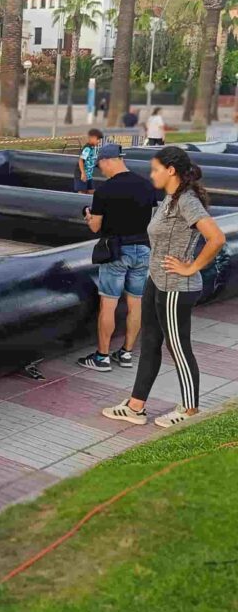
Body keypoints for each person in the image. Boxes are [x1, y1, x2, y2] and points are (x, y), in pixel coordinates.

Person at [101, 148, 226, 428]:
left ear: (171, 170)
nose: (151, 174)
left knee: (179, 347)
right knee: (150, 345)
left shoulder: (188, 201)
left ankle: (191, 409)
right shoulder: (172, 198)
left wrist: (191, 267)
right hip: (157, 282)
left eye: (155, 169)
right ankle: (136, 406)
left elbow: (216, 238)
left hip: (175, 287)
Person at [77, 143, 158, 372]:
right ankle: (126, 353)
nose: (101, 170)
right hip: (143, 250)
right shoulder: (146, 185)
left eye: (100, 164)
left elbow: (96, 227)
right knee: (136, 303)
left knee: (109, 304)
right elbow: (150, 219)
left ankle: (102, 357)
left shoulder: (104, 191)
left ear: (107, 160)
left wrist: (88, 215)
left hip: (115, 251)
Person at [76, 128, 103, 194]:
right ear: (92, 138)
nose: (99, 142)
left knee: (91, 191)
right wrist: (83, 173)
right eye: (98, 139)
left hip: (89, 175)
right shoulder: (87, 148)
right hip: (81, 175)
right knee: (82, 192)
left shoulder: (93, 148)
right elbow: (81, 160)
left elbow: (93, 160)